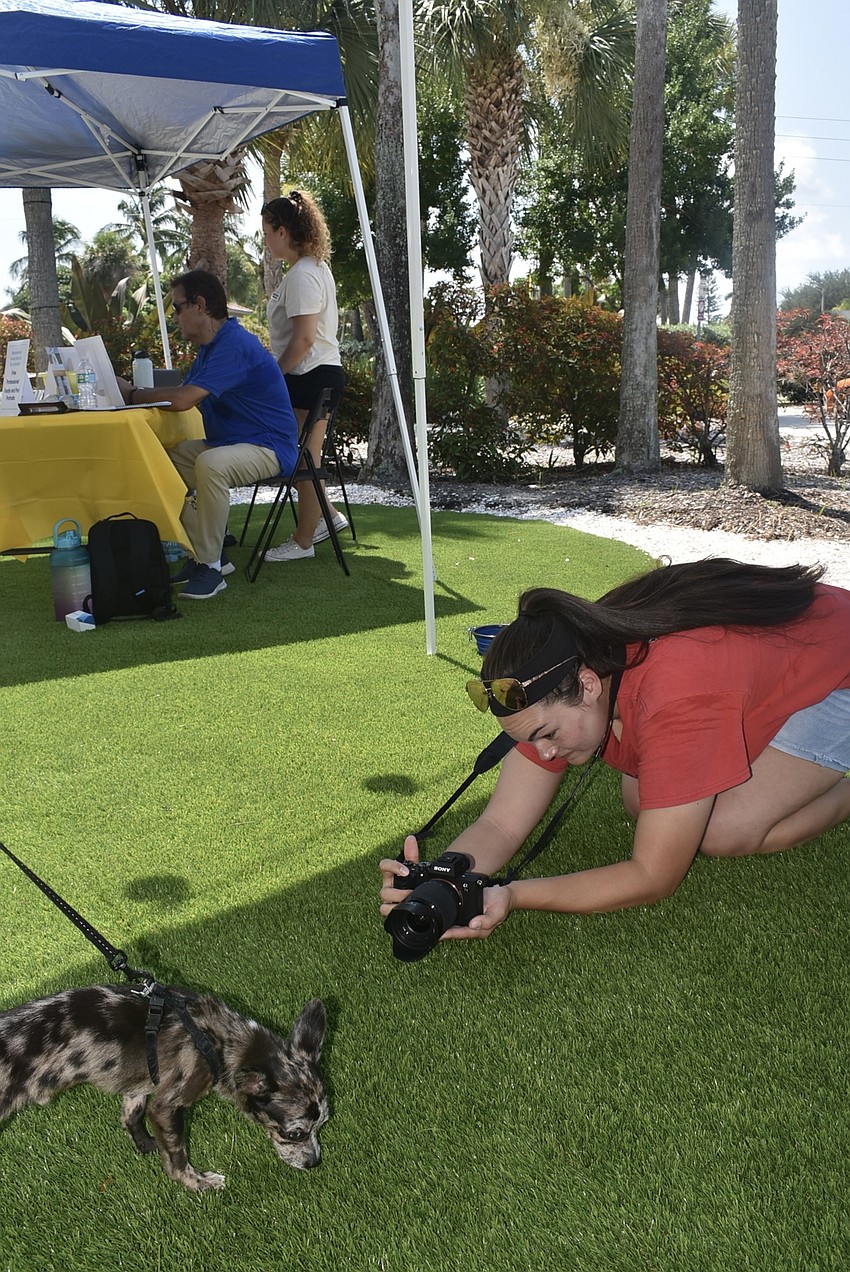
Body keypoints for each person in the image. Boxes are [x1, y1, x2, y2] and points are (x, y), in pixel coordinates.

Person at [380, 558, 850, 941]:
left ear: (586, 685)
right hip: (772, 661)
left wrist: (514, 894)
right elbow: (501, 822)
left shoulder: (676, 695)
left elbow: (652, 875)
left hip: (839, 677)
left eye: (547, 735)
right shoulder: (566, 663)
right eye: (529, 741)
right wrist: (442, 881)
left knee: (722, 831)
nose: (545, 755)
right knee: (641, 801)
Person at [118, 269, 298, 600]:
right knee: (158, 464)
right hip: (233, 442)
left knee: (210, 464)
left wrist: (130, 394)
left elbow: (185, 399)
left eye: (177, 308)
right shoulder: (211, 348)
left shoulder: (233, 344)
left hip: (270, 446)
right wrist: (137, 394)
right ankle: (204, 553)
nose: (174, 317)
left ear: (200, 305)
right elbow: (185, 394)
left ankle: (211, 567)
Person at [260, 190, 348, 563]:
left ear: (283, 231)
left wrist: (270, 376)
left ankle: (302, 541)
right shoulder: (310, 270)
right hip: (314, 373)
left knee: (303, 458)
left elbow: (304, 339)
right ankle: (327, 517)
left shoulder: (303, 276)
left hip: (310, 374)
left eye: (266, 231)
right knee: (302, 456)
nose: (264, 239)